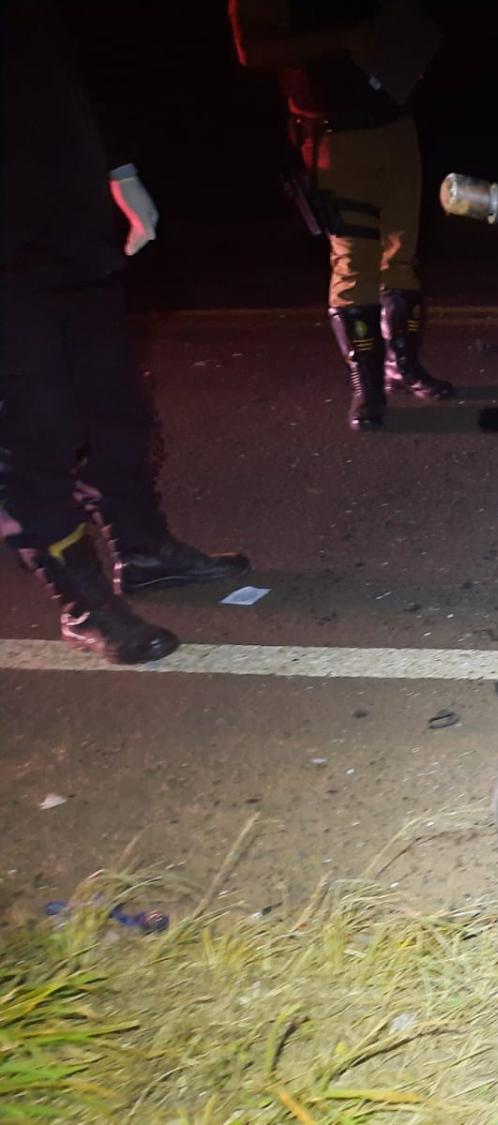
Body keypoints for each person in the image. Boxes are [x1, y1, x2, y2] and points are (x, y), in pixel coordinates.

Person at [0, 1, 250, 664]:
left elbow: (63, 62)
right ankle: (83, 602)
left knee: (116, 409)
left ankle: (143, 550)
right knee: (32, 433)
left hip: (69, 220)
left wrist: (120, 168)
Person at [229, 0, 453, 431]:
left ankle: (402, 367)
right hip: (333, 132)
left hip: (395, 123)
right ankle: (367, 387)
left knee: (402, 256)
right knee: (354, 260)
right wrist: (343, 37)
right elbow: (252, 50)